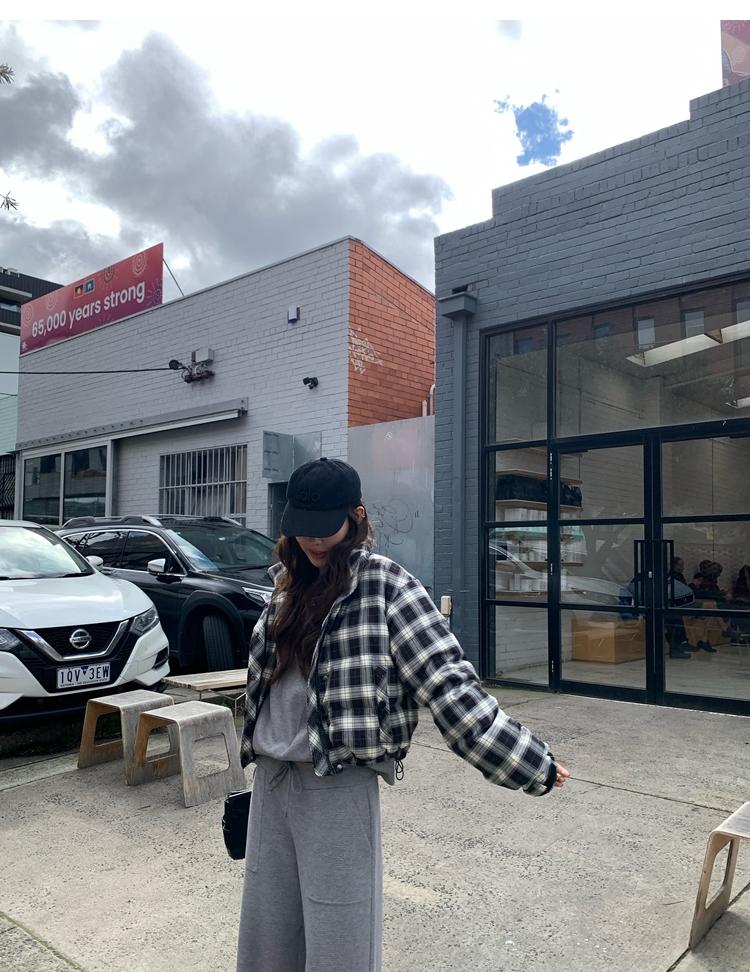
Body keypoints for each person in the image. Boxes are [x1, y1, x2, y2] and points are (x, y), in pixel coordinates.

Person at [236, 457, 569, 972]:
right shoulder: (286, 587)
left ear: (357, 517)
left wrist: (531, 762)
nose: (314, 540)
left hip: (337, 785)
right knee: (266, 940)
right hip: (270, 782)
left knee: (341, 938)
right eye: (303, 528)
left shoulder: (388, 586)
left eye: (326, 527)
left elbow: (449, 686)